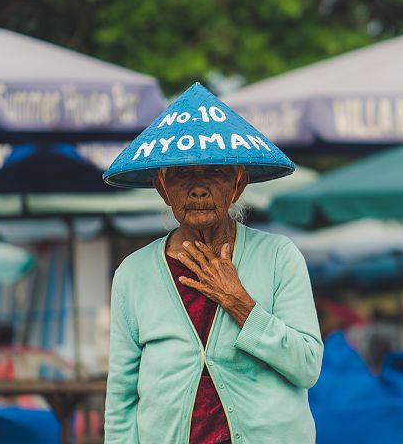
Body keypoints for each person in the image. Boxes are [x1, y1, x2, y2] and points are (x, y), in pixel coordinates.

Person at [103, 83, 323, 444]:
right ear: (162, 187)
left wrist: (240, 303)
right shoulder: (133, 273)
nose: (198, 188)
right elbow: (122, 396)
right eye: (182, 174)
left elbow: (307, 365)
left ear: (238, 184)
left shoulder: (279, 256)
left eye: (215, 173)